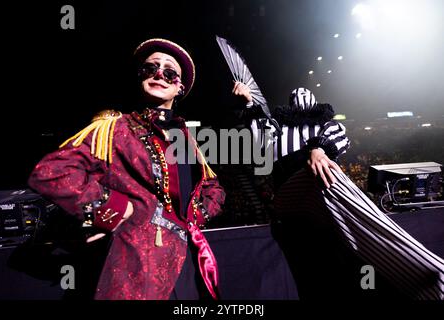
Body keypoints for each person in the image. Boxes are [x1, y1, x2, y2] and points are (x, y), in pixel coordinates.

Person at [28, 38, 225, 300]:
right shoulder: (115, 129)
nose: (159, 74)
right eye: (150, 68)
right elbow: (52, 172)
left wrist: (194, 217)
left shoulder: (186, 139)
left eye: (169, 72)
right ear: (139, 76)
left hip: (188, 263)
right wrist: (115, 210)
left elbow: (213, 187)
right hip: (136, 266)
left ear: (180, 87)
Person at [233, 82, 444, 300]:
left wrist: (318, 148)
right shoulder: (277, 128)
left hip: (322, 199)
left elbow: (339, 138)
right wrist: (249, 103)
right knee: (322, 175)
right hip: (290, 195)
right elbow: (259, 144)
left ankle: (420, 274)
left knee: (329, 179)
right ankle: (428, 273)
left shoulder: (328, 125)